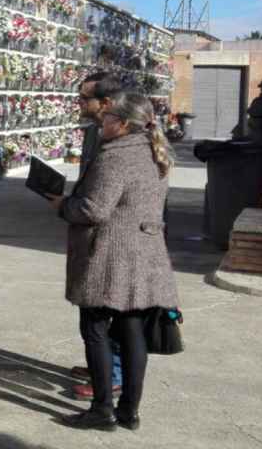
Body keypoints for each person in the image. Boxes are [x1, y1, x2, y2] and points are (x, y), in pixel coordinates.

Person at [50, 92, 180, 431]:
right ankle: (129, 412)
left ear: (122, 124)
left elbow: (95, 209)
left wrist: (63, 205)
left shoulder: (117, 155)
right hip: (144, 253)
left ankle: (102, 409)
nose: (101, 123)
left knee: (94, 328)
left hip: (110, 255)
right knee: (132, 330)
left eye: (107, 118)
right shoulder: (155, 151)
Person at [71, 72, 125, 401]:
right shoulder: (94, 132)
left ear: (104, 102)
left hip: (113, 235)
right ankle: (100, 366)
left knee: (108, 310)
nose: (79, 103)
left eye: (84, 98)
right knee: (92, 312)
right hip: (90, 232)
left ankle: (112, 375)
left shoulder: (123, 135)